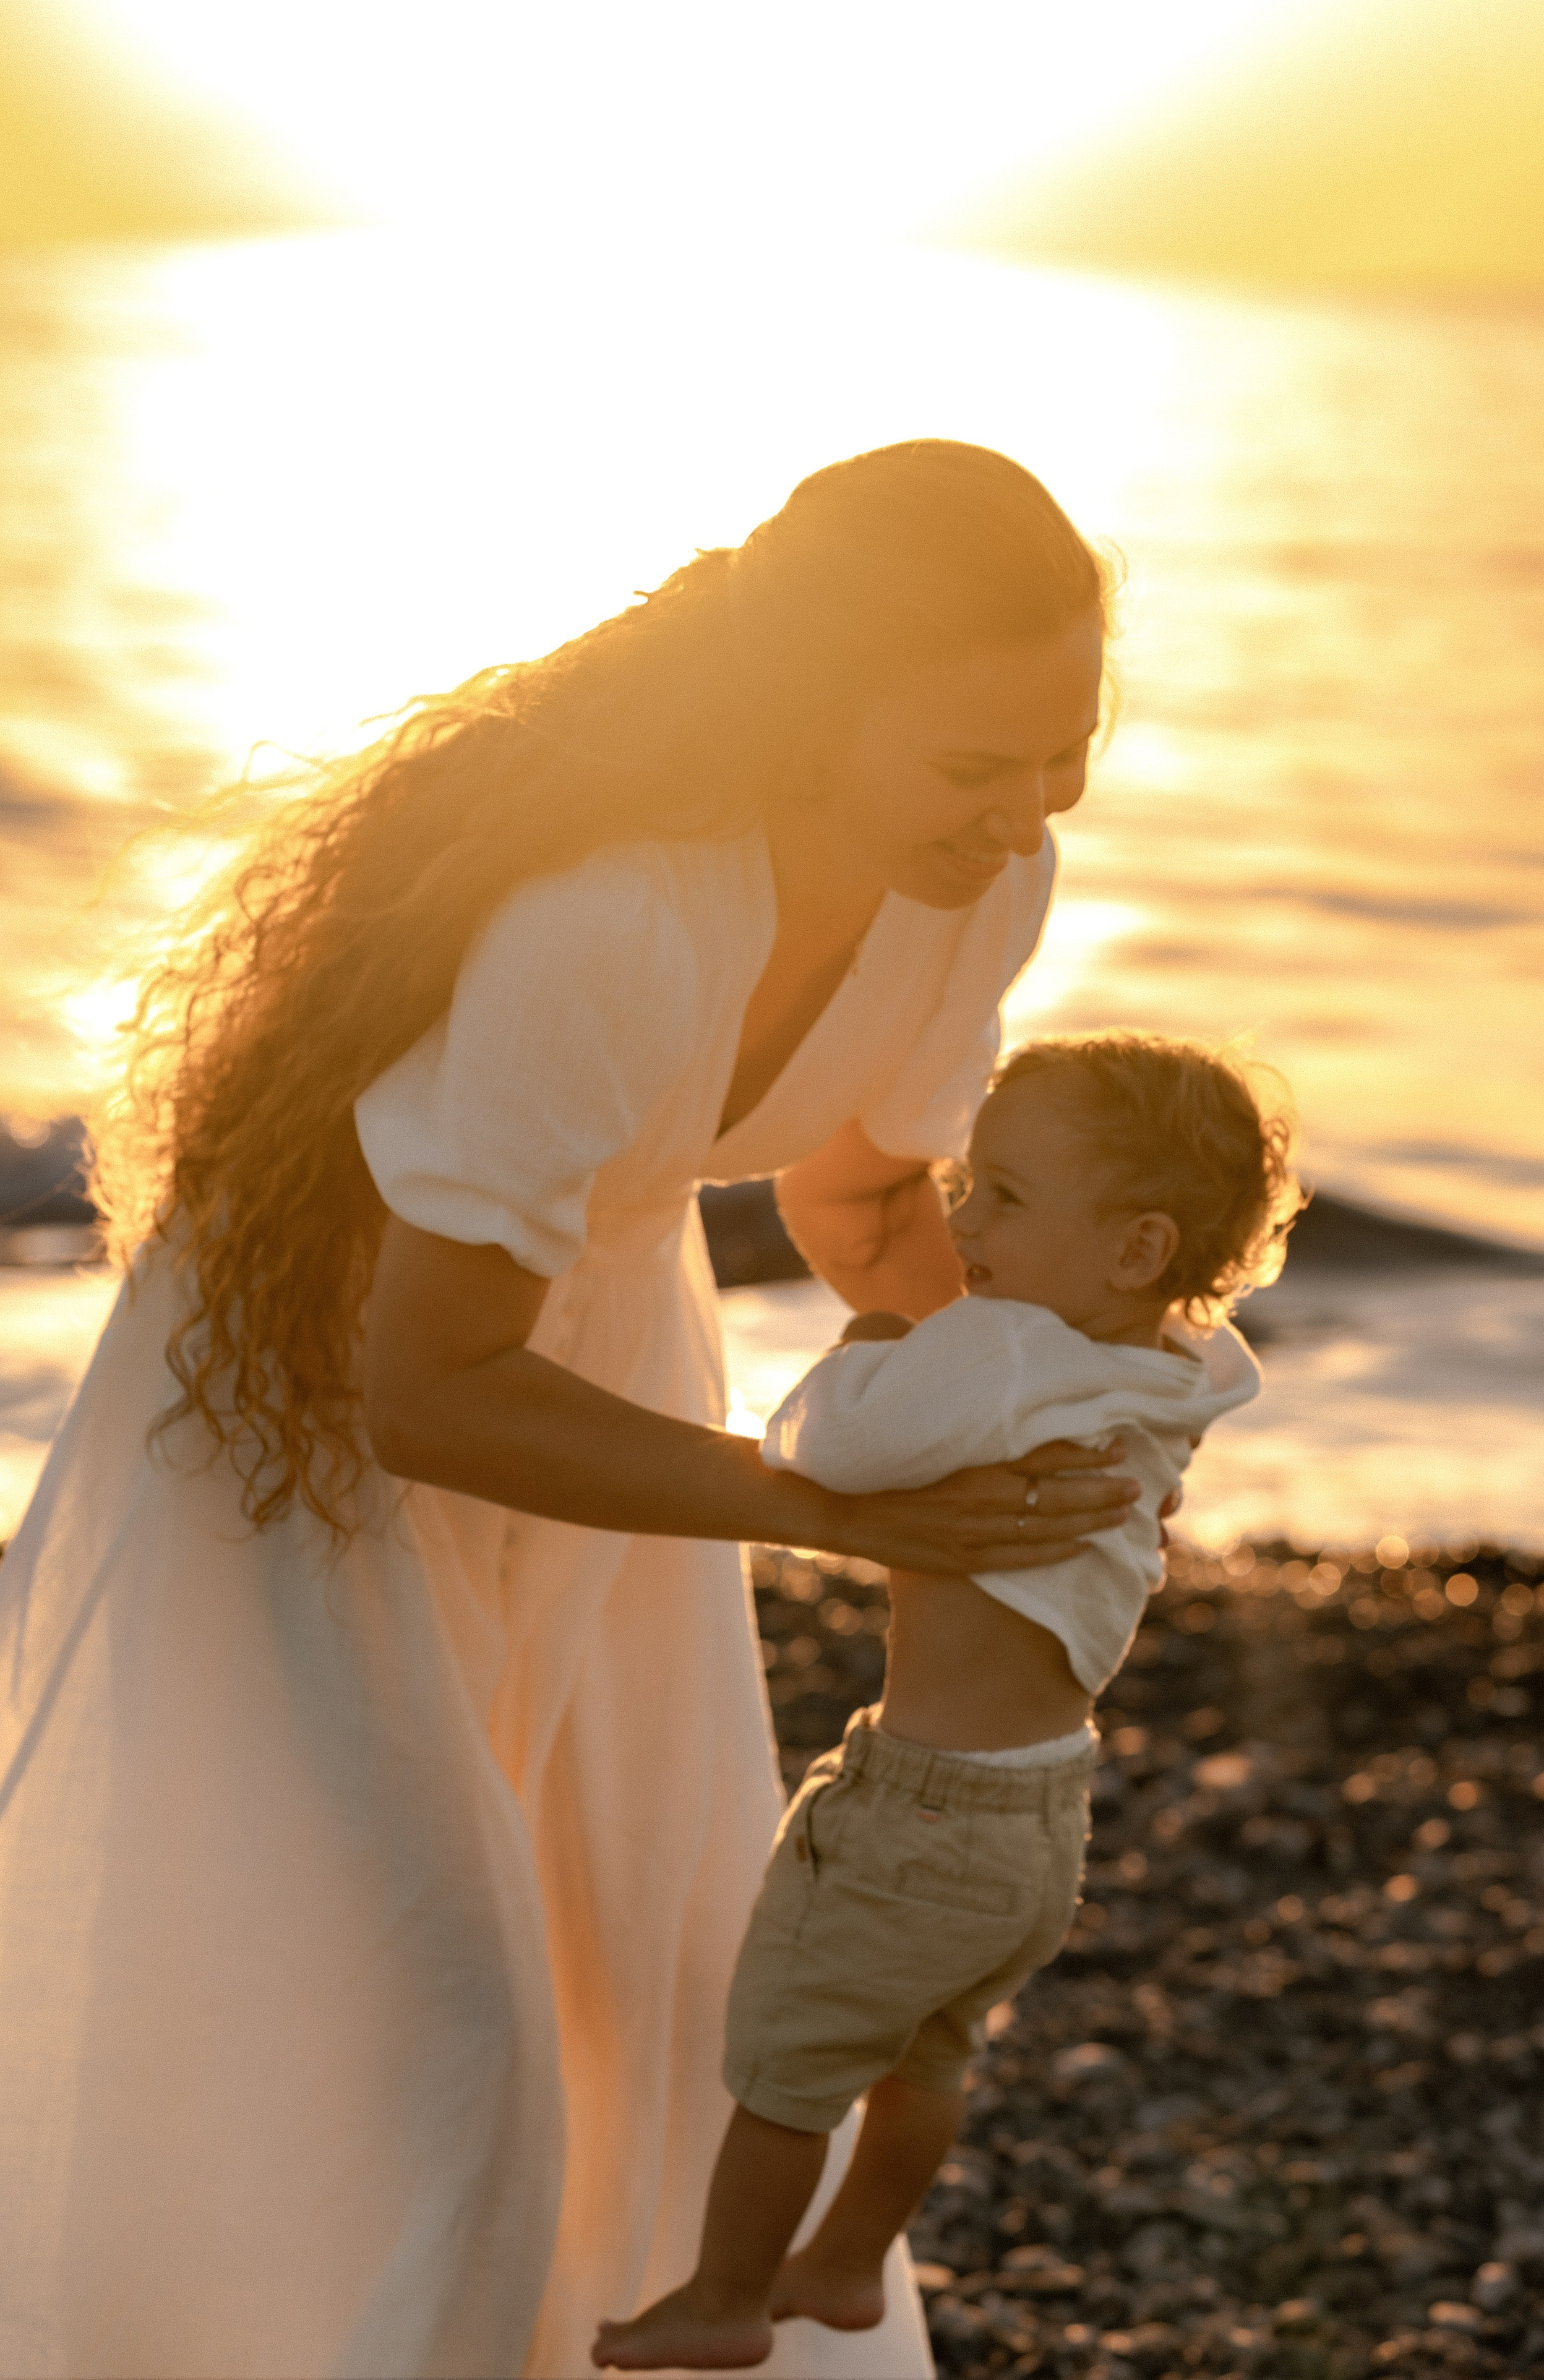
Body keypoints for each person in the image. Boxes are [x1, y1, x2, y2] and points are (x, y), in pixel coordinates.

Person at [0, 440, 1143, 2380]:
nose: (1024, 816)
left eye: (1065, 759)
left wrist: (1021, 1426)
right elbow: (427, 1394)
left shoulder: (979, 893)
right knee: (429, 2015)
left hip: (608, 1357)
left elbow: (861, 1194)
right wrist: (839, 1510)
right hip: (317, 1408)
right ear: (812, 712)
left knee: (666, 1955)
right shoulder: (611, 919)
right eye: (974, 766)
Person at [593, 1030, 1296, 2373]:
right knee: (928, 2052)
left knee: (787, 2067)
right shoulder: (1182, 1364)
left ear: (1135, 1248)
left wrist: (862, 1346)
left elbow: (835, 1448)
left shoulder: (1008, 1348)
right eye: (966, 1178)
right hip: (1040, 1814)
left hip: (918, 1810)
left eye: (1007, 1197)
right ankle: (851, 2258)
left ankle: (727, 2295)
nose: (960, 1216)